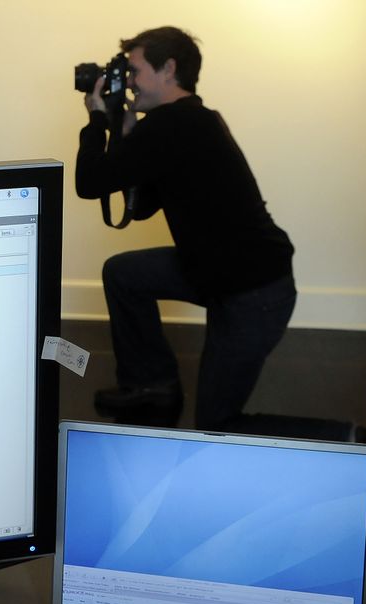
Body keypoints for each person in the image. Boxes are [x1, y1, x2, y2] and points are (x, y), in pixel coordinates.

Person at [75, 26, 296, 430]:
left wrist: (95, 121)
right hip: (216, 270)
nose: (129, 83)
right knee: (123, 274)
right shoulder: (187, 122)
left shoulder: (172, 126)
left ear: (169, 69)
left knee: (218, 423)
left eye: (135, 70)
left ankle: (355, 439)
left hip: (253, 292)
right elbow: (140, 209)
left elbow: (88, 184)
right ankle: (152, 384)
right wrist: (125, 136)